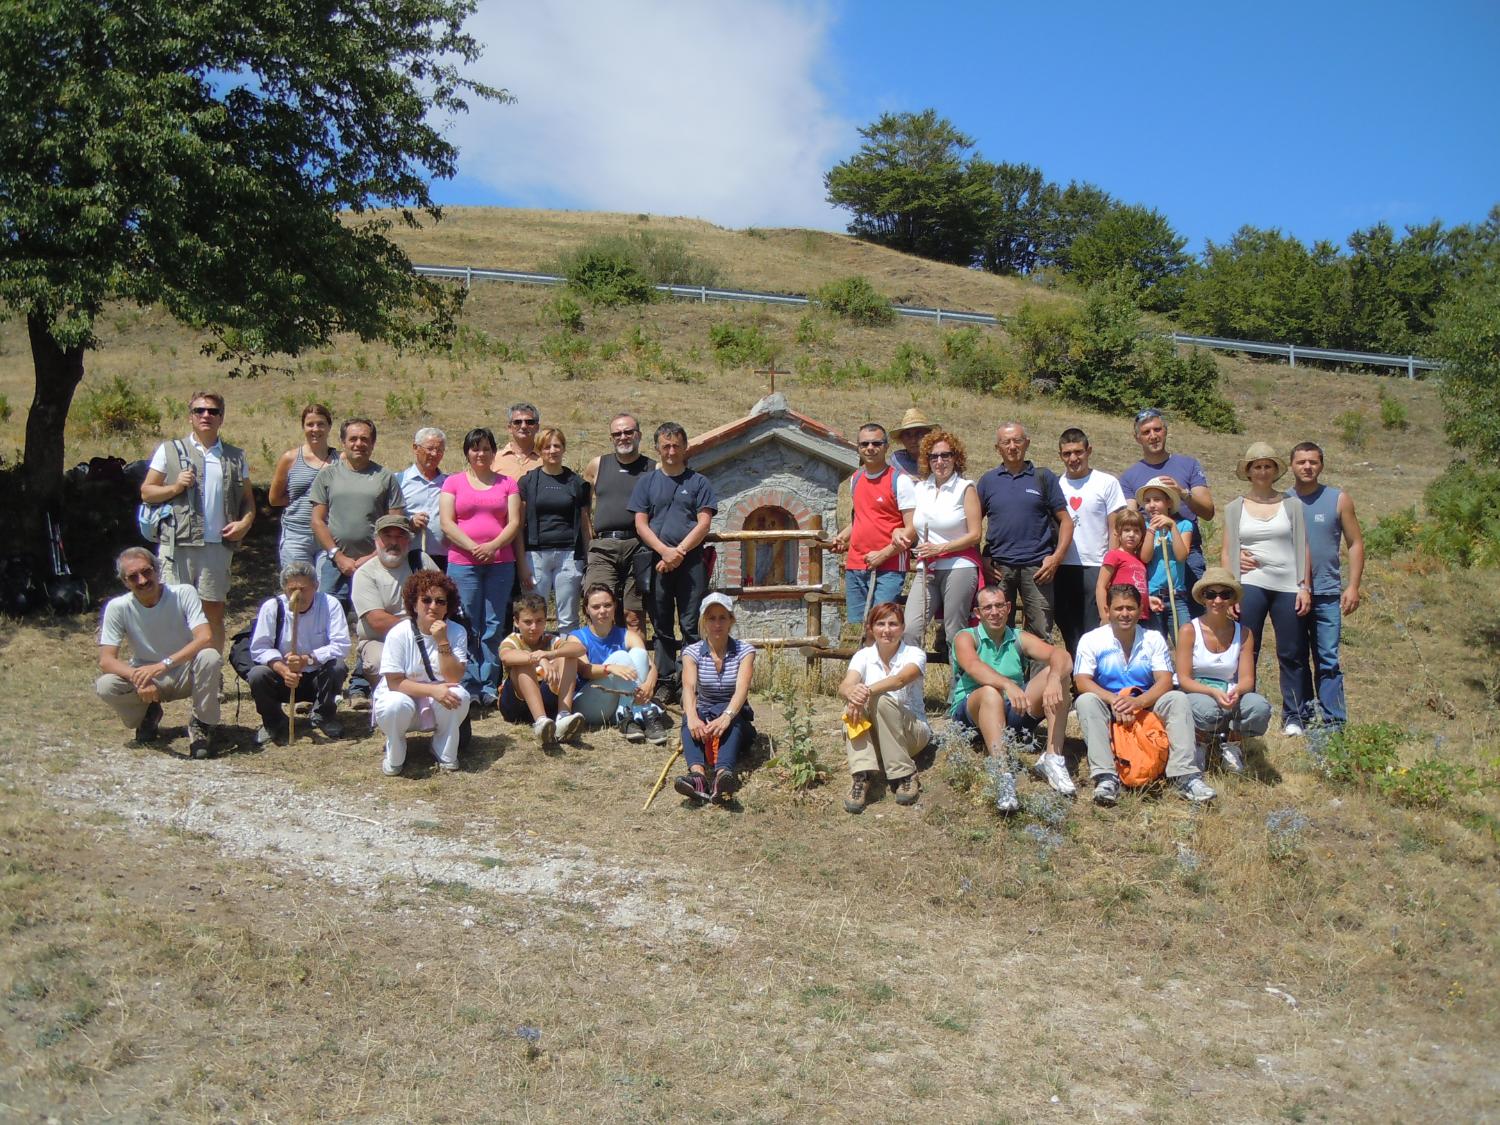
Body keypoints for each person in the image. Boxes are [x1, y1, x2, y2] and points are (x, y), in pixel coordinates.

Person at [1074, 584, 1216, 806]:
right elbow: (1082, 681)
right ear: (1107, 609)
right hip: (1109, 705)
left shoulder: (1153, 638)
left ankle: (1185, 776)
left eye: (1130, 608)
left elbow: (1165, 680)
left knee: (1177, 699)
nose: (1124, 614)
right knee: (1085, 701)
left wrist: (1138, 702)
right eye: (1118, 608)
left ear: (1141, 610)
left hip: (1146, 704)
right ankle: (1106, 777)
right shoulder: (1092, 640)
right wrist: (1116, 702)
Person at [139, 390, 255, 653]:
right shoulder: (169, 450)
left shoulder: (236, 456)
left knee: (213, 612)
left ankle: (211, 675)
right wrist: (175, 488)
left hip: (217, 546)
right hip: (177, 545)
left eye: (213, 411)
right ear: (190, 416)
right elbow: (147, 492)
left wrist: (245, 523)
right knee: (173, 610)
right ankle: (177, 673)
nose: (206, 416)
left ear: (221, 418)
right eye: (199, 411)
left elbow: (248, 500)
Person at [950, 585, 1074, 808]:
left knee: (1058, 674)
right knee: (990, 692)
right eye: (988, 607)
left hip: (1011, 711)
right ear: (978, 613)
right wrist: (1007, 684)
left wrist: (1055, 678)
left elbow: (1061, 655)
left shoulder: (1018, 637)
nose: (994, 612)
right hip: (972, 714)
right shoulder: (966, 637)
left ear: (1009, 608)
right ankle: (1002, 774)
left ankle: (1053, 758)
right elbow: (973, 666)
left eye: (999, 606)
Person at [96, 547, 223, 759]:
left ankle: (202, 724)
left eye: (146, 572)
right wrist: (137, 678)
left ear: (157, 571)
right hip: (148, 678)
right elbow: (106, 660)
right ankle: (148, 714)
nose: (142, 580)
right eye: (133, 577)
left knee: (210, 657)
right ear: (125, 582)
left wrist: (162, 665)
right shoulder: (117, 607)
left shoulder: (183, 593)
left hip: (185, 672)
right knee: (105, 685)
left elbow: (205, 637)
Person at [1221, 442, 1312, 735]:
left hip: (1288, 583)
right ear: (1248, 472)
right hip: (1250, 584)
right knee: (1247, 649)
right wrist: (1231, 587)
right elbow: (1227, 550)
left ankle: (1295, 716)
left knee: (1292, 651)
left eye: (1267, 466)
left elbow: (1303, 546)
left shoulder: (1292, 505)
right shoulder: (1235, 508)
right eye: (1257, 466)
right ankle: (1246, 711)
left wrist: (1304, 586)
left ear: (1275, 471)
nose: (1262, 471)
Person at [630, 422, 717, 703]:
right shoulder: (646, 482)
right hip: (656, 562)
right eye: (665, 446)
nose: (671, 451)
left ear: (685, 447)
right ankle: (666, 680)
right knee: (662, 624)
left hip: (691, 563)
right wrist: (663, 551)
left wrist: (678, 552)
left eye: (676, 445)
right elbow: (640, 523)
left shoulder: (699, 482)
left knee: (691, 624)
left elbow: (704, 523)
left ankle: (689, 681)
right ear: (657, 448)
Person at [439, 427, 521, 709]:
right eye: (475, 448)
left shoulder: (508, 483)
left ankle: (489, 684)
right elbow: (447, 522)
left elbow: (513, 522)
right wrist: (473, 546)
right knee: (467, 622)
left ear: (494, 451)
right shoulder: (453, 483)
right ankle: (468, 682)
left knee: (494, 624)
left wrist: (492, 546)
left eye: (486, 448)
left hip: (500, 563)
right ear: (467, 453)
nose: (481, 453)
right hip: (463, 564)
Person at [1288, 442, 1364, 733]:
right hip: (1291, 593)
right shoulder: (1282, 500)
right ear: (1292, 466)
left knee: (1327, 658)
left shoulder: (1338, 499)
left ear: (1322, 465)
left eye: (1313, 462)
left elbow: (1355, 542)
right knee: (1295, 656)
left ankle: (1334, 721)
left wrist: (1353, 585)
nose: (1307, 467)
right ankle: (1301, 716)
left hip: (1328, 592)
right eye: (1301, 462)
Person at [976, 422, 1071, 645]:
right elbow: (972, 524)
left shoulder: (1044, 477)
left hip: (1038, 568)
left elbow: (1066, 521)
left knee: (1039, 633)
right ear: (997, 447)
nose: (1012, 446)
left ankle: (1037, 680)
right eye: (1005, 442)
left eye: (1017, 440)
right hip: (999, 570)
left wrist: (1056, 558)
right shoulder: (988, 481)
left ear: (1027, 443)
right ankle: (1002, 679)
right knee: (996, 631)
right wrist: (981, 558)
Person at [1173, 567, 1272, 773]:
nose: (1217, 600)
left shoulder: (1244, 633)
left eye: (1224, 594)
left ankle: (1233, 745)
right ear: (1203, 598)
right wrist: (1211, 691)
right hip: (1197, 692)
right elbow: (1183, 679)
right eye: (1211, 594)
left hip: (1228, 692)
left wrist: (1236, 691)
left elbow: (1247, 680)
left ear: (1231, 600)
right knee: (1206, 710)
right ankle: (1199, 744)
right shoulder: (1189, 630)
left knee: (1259, 707)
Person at [374, 570, 471, 776]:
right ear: (414, 603)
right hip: (403, 701)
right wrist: (432, 691)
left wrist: (442, 641)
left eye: (440, 601)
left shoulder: (457, 632)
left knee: (459, 695)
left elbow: (454, 678)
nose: (433, 606)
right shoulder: (399, 633)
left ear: (448, 606)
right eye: (426, 600)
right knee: (395, 704)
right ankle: (396, 748)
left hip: (438, 702)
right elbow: (394, 682)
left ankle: (443, 748)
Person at [1119, 408, 1215, 613]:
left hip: (1188, 551)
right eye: (1146, 432)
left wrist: (1182, 492)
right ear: (1137, 438)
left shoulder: (1188, 465)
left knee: (1196, 617)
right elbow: (1130, 519)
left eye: (1157, 429)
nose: (1153, 436)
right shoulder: (1129, 477)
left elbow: (1208, 512)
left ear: (1165, 431)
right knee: (1154, 625)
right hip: (1151, 553)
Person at [838, 601, 929, 814]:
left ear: (903, 627)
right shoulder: (863, 655)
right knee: (850, 705)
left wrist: (865, 692)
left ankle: (904, 774)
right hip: (878, 737)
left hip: (911, 733)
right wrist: (852, 694)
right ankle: (862, 775)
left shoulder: (915, 654)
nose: (887, 630)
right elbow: (845, 684)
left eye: (893, 624)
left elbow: (899, 680)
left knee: (880, 699)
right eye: (880, 624)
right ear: (871, 628)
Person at [246, 560, 350, 745]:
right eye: (291, 589)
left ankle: (323, 715)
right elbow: (259, 648)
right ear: (284, 588)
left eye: (303, 589)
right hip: (284, 678)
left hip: (317, 675)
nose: (297, 595)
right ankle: (273, 721)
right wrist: (282, 668)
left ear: (315, 586)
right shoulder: (272, 607)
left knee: (337, 666)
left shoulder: (329, 604)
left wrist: (308, 659)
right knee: (257, 674)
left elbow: (341, 645)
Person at [899, 429, 981, 654]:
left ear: (956, 458)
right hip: (927, 568)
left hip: (959, 566)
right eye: (934, 456)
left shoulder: (966, 488)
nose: (940, 461)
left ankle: (961, 687)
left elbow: (975, 535)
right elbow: (911, 527)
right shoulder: (921, 489)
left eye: (946, 455)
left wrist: (940, 547)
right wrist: (898, 533)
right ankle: (912, 686)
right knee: (910, 629)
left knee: (955, 631)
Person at [309, 417, 404, 605]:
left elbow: (396, 524)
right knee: (330, 619)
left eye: (364, 439)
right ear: (343, 442)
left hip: (376, 563)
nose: (358, 444)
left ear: (373, 443)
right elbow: (317, 521)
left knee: (374, 617)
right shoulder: (327, 475)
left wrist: (372, 557)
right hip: (334, 563)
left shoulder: (386, 478)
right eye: (353, 439)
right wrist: (338, 556)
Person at [672, 593, 757, 804]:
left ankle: (722, 778)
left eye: (722, 617)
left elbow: (741, 690)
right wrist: (692, 717)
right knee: (689, 717)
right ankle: (698, 777)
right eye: (711, 618)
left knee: (734, 720)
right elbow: (689, 687)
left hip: (734, 717)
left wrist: (727, 716)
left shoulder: (745, 651)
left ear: (731, 620)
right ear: (703, 621)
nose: (717, 624)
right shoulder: (691, 652)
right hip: (706, 714)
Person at [831, 422, 915, 628]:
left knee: (882, 625)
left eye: (876, 443)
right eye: (864, 444)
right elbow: (862, 517)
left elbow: (912, 529)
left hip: (890, 566)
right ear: (858, 448)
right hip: (857, 564)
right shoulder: (856, 478)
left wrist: (883, 555)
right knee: (857, 627)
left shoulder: (900, 481)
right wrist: (844, 536)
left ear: (886, 447)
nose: (870, 448)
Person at [349, 515, 436, 709]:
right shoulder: (364, 574)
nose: (393, 542)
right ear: (376, 540)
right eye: (387, 536)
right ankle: (393, 708)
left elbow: (443, 602)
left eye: (400, 536)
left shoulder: (421, 562)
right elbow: (377, 621)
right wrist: (420, 624)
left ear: (409, 539)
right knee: (383, 662)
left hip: (426, 638)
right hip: (381, 641)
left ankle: (429, 702)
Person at [1054, 427, 1125, 659]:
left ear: (1088, 451)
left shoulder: (1106, 483)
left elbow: (1115, 527)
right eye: (1067, 454)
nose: (1073, 459)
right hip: (1063, 567)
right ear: (1060, 455)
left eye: (1078, 452)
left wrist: (1112, 566)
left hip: (1096, 565)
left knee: (1094, 630)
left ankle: (1094, 682)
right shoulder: (1056, 485)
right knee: (1069, 629)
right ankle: (1077, 680)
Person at [583, 412, 655, 630]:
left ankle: (636, 663)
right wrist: (589, 542)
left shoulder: (654, 468)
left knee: (633, 615)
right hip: (603, 546)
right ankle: (600, 663)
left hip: (639, 547)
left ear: (639, 434)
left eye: (628, 432)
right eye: (617, 433)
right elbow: (584, 508)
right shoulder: (597, 465)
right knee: (599, 607)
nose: (623, 437)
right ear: (611, 438)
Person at [570, 584, 668, 742]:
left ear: (615, 606)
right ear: (586, 609)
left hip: (620, 701)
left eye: (607, 605)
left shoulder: (627, 635)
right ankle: (645, 711)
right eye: (596, 607)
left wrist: (649, 684)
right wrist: (610, 668)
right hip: (589, 704)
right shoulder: (577, 637)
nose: (603, 611)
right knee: (622, 656)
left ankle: (627, 716)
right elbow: (584, 670)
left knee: (639, 653)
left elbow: (649, 664)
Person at [519, 427, 591, 632]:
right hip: (535, 556)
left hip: (569, 555)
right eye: (547, 446)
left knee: (568, 618)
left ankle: (566, 663)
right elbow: (518, 524)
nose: (552, 450)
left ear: (564, 449)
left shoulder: (576, 483)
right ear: (539, 450)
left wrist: (589, 559)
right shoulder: (528, 482)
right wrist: (521, 563)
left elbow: (585, 524)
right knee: (533, 616)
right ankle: (533, 662)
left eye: (557, 446)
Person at [498, 592, 586, 748]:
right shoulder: (512, 639)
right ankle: (540, 722)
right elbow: (506, 657)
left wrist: (549, 654)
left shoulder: (550, 640)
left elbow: (579, 649)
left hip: (545, 699)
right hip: (516, 704)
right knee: (523, 661)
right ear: (516, 622)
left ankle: (563, 716)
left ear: (546, 621)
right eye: (528, 622)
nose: (534, 627)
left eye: (539, 621)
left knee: (569, 656)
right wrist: (539, 659)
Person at [269, 403, 338, 570]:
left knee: (326, 591)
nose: (315, 429)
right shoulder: (290, 458)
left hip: (328, 536)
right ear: (303, 427)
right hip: (296, 536)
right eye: (310, 424)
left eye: (321, 424)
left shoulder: (340, 461)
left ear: (329, 427)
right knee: (298, 588)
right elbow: (274, 499)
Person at [1137, 477, 1193, 646]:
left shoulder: (1184, 525)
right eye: (1147, 501)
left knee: (1184, 643)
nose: (1151, 505)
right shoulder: (1143, 526)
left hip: (1176, 597)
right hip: (1153, 596)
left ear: (1168, 502)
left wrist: (1172, 528)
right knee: (1155, 645)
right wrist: (1151, 530)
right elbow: (1144, 557)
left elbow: (1182, 555)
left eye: (1157, 500)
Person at [396, 427, 450, 571]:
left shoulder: (450, 483)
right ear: (415, 448)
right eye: (430, 448)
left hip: (444, 559)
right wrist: (410, 523)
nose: (434, 454)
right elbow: (389, 519)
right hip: (407, 558)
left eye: (439, 450)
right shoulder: (399, 481)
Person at [1096, 509, 1150, 624]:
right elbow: (1101, 586)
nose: (1131, 535)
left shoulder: (1140, 560)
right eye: (1127, 530)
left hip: (1140, 615)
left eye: (1136, 531)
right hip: (1121, 615)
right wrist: (1104, 616)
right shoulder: (1114, 555)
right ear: (1118, 533)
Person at [494, 402, 542, 482]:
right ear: (509, 428)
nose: (523, 426)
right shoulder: (494, 459)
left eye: (529, 422)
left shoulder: (546, 460)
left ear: (537, 427)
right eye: (517, 422)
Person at [889, 407, 936, 477]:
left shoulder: (939, 458)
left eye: (919, 434)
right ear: (902, 439)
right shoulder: (896, 462)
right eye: (908, 435)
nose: (913, 440)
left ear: (928, 435)